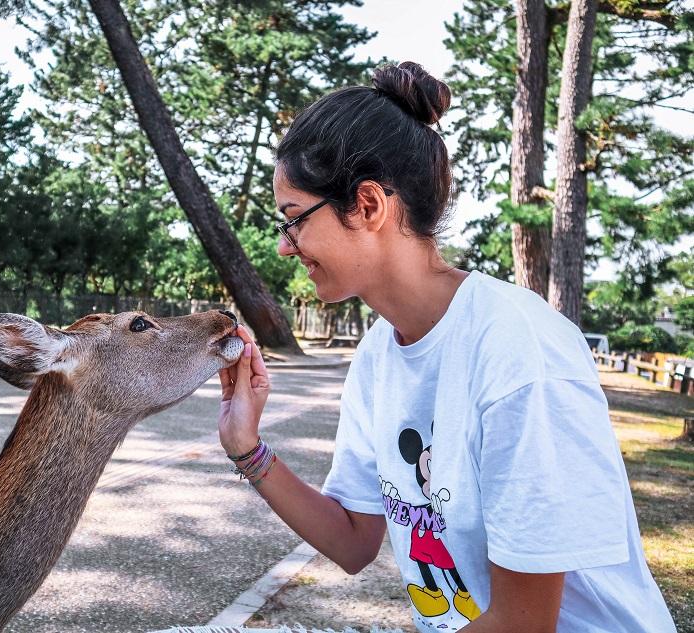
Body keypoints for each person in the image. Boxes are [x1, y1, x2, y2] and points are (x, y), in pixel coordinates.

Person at [217, 62, 676, 633]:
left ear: (367, 205)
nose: (286, 248)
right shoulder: (379, 356)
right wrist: (245, 446)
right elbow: (355, 540)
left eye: (294, 220)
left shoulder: (517, 351)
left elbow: (523, 625)